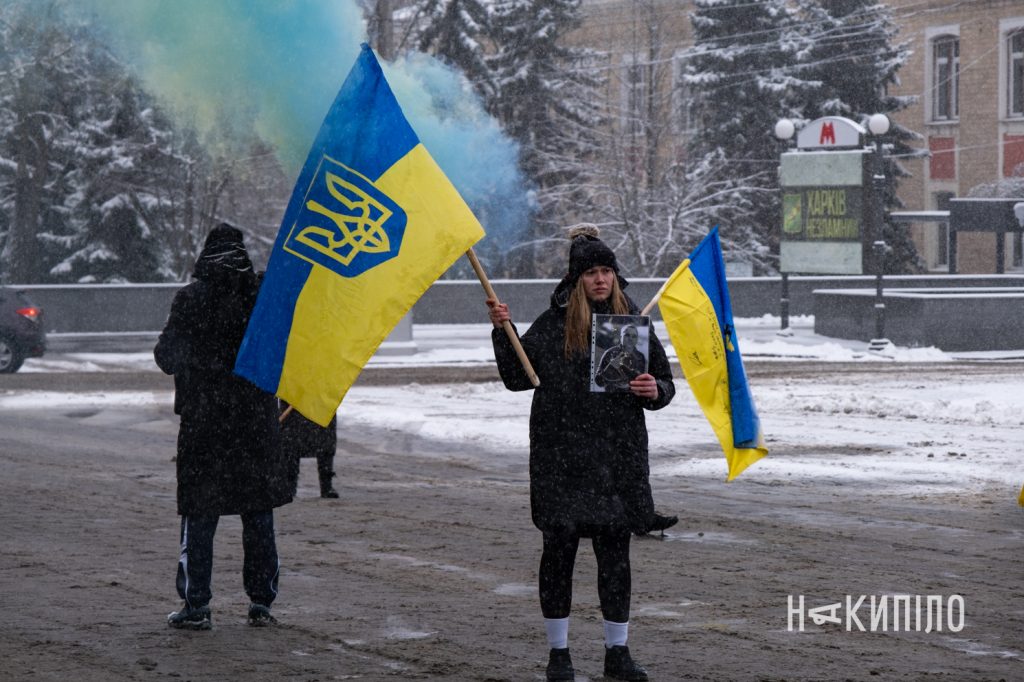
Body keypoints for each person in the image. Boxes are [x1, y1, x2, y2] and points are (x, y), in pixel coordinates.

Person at [487, 224, 676, 682]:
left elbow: (664, 382)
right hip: (561, 460)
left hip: (616, 460)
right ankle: (559, 654)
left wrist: (655, 390)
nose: (600, 280)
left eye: (606, 271)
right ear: (576, 280)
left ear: (615, 276)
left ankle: (618, 653)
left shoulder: (631, 322)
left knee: (616, 559)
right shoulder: (553, 326)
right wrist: (503, 330)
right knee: (559, 556)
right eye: (591, 272)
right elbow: (518, 377)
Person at [155, 222, 295, 631]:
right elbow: (283, 344)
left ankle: (197, 605)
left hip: (205, 426)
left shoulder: (190, 300)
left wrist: (200, 362)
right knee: (258, 515)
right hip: (256, 424)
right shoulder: (261, 298)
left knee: (199, 515)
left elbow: (166, 356)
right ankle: (261, 602)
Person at [279, 402, 340, 499]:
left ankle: (326, 485)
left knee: (324, 444)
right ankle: (289, 485)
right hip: (296, 400)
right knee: (292, 444)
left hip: (322, 402)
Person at [595, 324, 646, 392]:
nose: (630, 338)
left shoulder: (640, 356)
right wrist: (610, 367)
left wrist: (622, 367)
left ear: (637, 339)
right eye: (627, 335)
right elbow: (599, 382)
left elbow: (640, 382)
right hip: (611, 396)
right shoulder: (610, 353)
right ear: (621, 337)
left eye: (634, 336)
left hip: (633, 397)